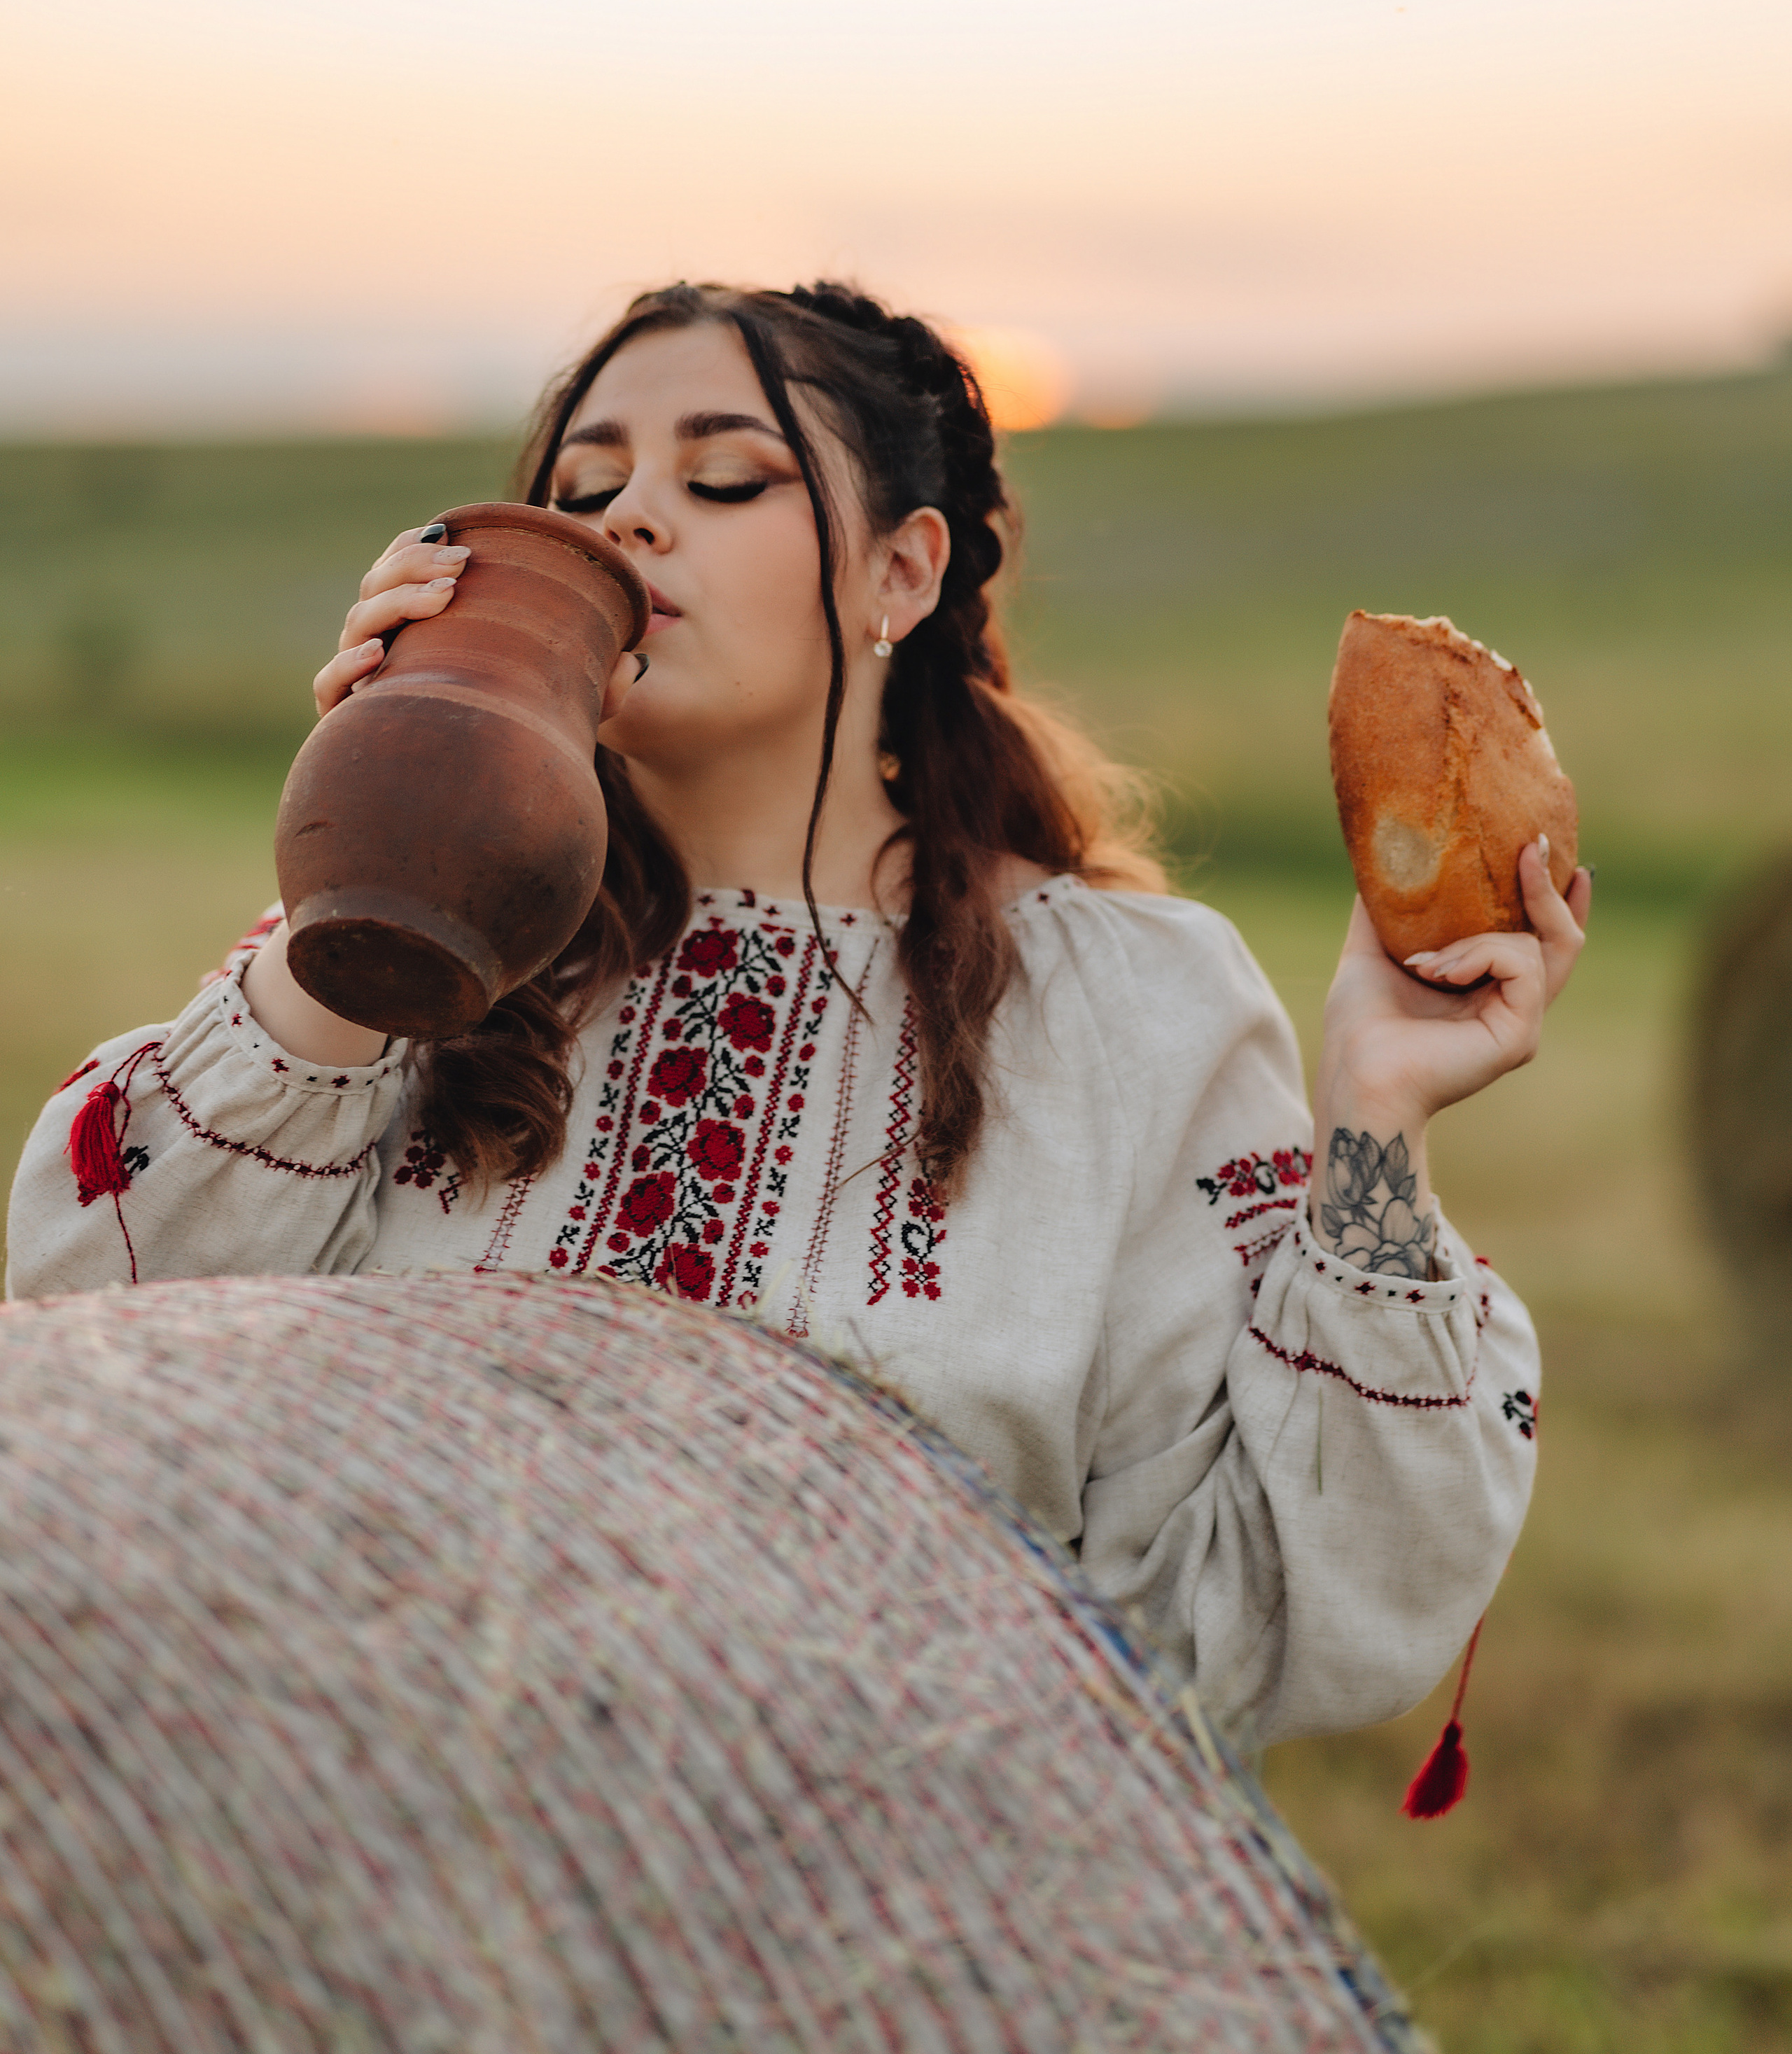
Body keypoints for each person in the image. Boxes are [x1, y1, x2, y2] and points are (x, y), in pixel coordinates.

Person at [8, 282, 1586, 1748]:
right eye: (584, 487)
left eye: (725, 477)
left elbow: (1263, 1592)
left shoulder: (1128, 1003)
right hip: (379, 1896)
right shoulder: (413, 960)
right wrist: (384, 835)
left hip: (865, 1956)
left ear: (900, 569)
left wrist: (1374, 1114)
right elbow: (98, 1353)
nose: (628, 517)